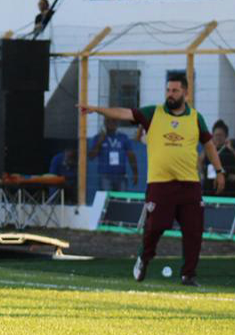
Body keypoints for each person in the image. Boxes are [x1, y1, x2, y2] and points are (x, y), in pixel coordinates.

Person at [80, 72, 226, 287]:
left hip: (189, 184)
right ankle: (144, 258)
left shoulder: (196, 118)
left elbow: (209, 145)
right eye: (168, 90)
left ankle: (188, 275)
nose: (170, 94)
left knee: (194, 231)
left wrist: (220, 171)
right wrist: (97, 109)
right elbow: (124, 113)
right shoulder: (153, 113)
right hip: (160, 184)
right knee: (155, 227)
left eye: (175, 90)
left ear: (186, 93)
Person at [89, 117, 139, 192]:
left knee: (121, 197)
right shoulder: (98, 137)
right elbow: (91, 156)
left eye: (114, 121)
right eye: (108, 121)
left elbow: (131, 156)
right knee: (106, 197)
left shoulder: (123, 137)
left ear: (117, 123)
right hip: (105, 176)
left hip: (121, 175)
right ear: (105, 123)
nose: (111, 123)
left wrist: (135, 173)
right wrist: (100, 142)